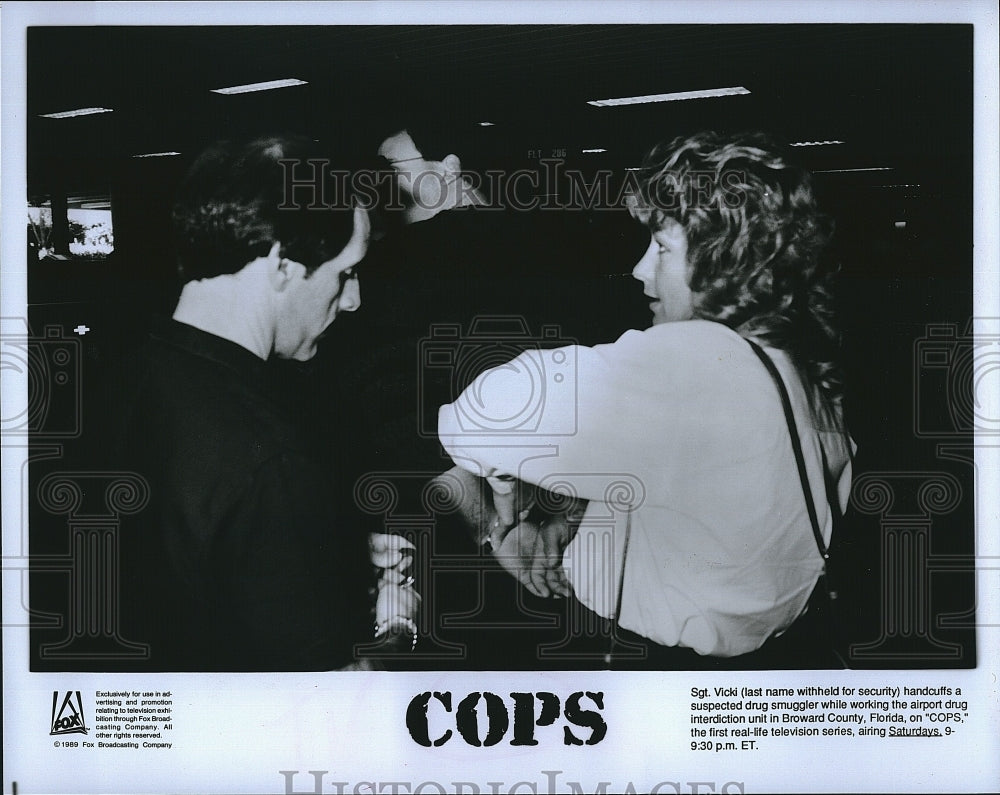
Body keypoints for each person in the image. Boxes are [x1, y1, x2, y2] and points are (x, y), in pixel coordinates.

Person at [438, 131, 855, 668]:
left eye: (661, 248)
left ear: (725, 261)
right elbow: (709, 505)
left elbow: (477, 418)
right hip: (769, 660)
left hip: (656, 663)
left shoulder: (694, 361)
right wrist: (573, 522)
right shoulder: (797, 367)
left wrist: (504, 508)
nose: (639, 269)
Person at [116, 134, 410, 671]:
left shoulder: (121, 377)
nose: (353, 300)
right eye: (346, 273)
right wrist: (397, 625)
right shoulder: (271, 459)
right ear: (280, 264)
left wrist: (314, 553)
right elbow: (333, 708)